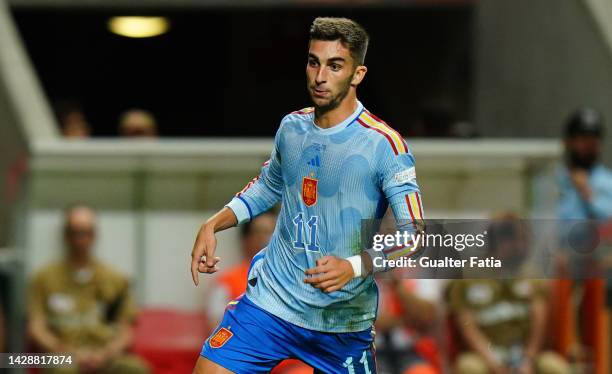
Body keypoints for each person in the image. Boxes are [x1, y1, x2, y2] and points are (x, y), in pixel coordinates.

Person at [190, 17, 424, 373]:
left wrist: (354, 265)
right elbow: (269, 185)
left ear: (357, 74)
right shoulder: (292, 127)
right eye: (314, 62)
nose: (319, 76)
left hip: (341, 323)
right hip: (272, 304)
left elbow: (415, 235)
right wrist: (215, 222)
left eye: (335, 65)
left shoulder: (385, 144)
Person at [28, 204, 150, 374]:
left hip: (105, 354)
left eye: (86, 232)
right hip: (63, 355)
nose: (80, 240)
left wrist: (106, 354)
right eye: (75, 232)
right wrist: (64, 351)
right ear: (65, 236)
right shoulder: (44, 277)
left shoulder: (115, 278)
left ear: (94, 235)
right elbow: (36, 328)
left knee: (135, 369)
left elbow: (125, 331)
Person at [447, 214, 569, 374]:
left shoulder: (532, 277)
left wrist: (528, 360)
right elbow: (466, 325)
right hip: (483, 355)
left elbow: (539, 323)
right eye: (520, 241)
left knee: (555, 367)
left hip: (525, 356)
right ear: (500, 242)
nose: (525, 248)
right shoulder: (467, 277)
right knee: (470, 368)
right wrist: (493, 362)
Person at [206, 211, 276, 328]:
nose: (266, 239)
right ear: (246, 239)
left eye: (272, 232)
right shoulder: (227, 282)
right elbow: (216, 328)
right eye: (260, 232)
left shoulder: (293, 279)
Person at [558, 108, 612, 220]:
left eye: (594, 140)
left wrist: (587, 192)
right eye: (583, 139)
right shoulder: (555, 178)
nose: (589, 146)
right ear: (569, 141)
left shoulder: (608, 181)